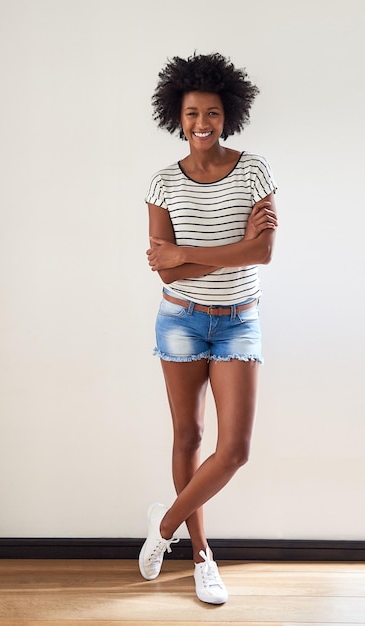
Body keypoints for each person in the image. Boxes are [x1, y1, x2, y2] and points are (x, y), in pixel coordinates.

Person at [139, 52, 278, 605]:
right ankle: (200, 555)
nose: (202, 123)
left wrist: (186, 255)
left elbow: (263, 252)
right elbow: (159, 263)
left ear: (228, 115)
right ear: (178, 116)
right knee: (189, 437)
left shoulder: (254, 170)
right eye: (193, 112)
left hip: (238, 321)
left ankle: (163, 527)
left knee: (234, 449)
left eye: (213, 113)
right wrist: (230, 251)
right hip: (180, 320)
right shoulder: (160, 184)